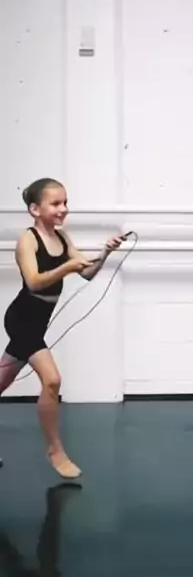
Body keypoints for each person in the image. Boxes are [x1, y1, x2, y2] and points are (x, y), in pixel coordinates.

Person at [0, 178, 123, 479]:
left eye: (65, 202)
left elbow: (87, 273)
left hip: (38, 319)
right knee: (52, 380)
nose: (63, 209)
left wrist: (105, 253)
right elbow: (34, 282)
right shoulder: (28, 240)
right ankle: (55, 451)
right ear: (35, 209)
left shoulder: (63, 238)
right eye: (55, 203)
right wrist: (66, 267)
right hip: (22, 318)